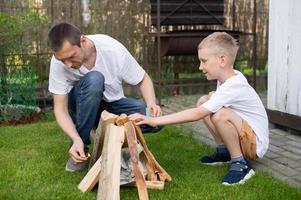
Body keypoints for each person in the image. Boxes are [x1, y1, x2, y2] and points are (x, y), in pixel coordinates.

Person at [130, 32, 269, 185]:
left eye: (204, 61)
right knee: (204, 101)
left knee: (219, 115)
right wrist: (212, 97)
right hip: (246, 135)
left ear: (222, 60)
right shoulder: (227, 78)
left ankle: (240, 164)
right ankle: (224, 152)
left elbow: (197, 114)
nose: (200, 67)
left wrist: (153, 120)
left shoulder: (233, 85)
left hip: (255, 144)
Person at [47, 22, 161, 172]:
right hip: (79, 108)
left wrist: (151, 103)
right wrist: (75, 139)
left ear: (83, 40)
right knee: (95, 79)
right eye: (62, 60)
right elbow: (60, 109)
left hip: (111, 105)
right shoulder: (58, 63)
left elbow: (143, 79)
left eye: (71, 57)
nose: (67, 64)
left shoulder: (112, 49)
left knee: (155, 120)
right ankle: (81, 148)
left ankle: (108, 136)